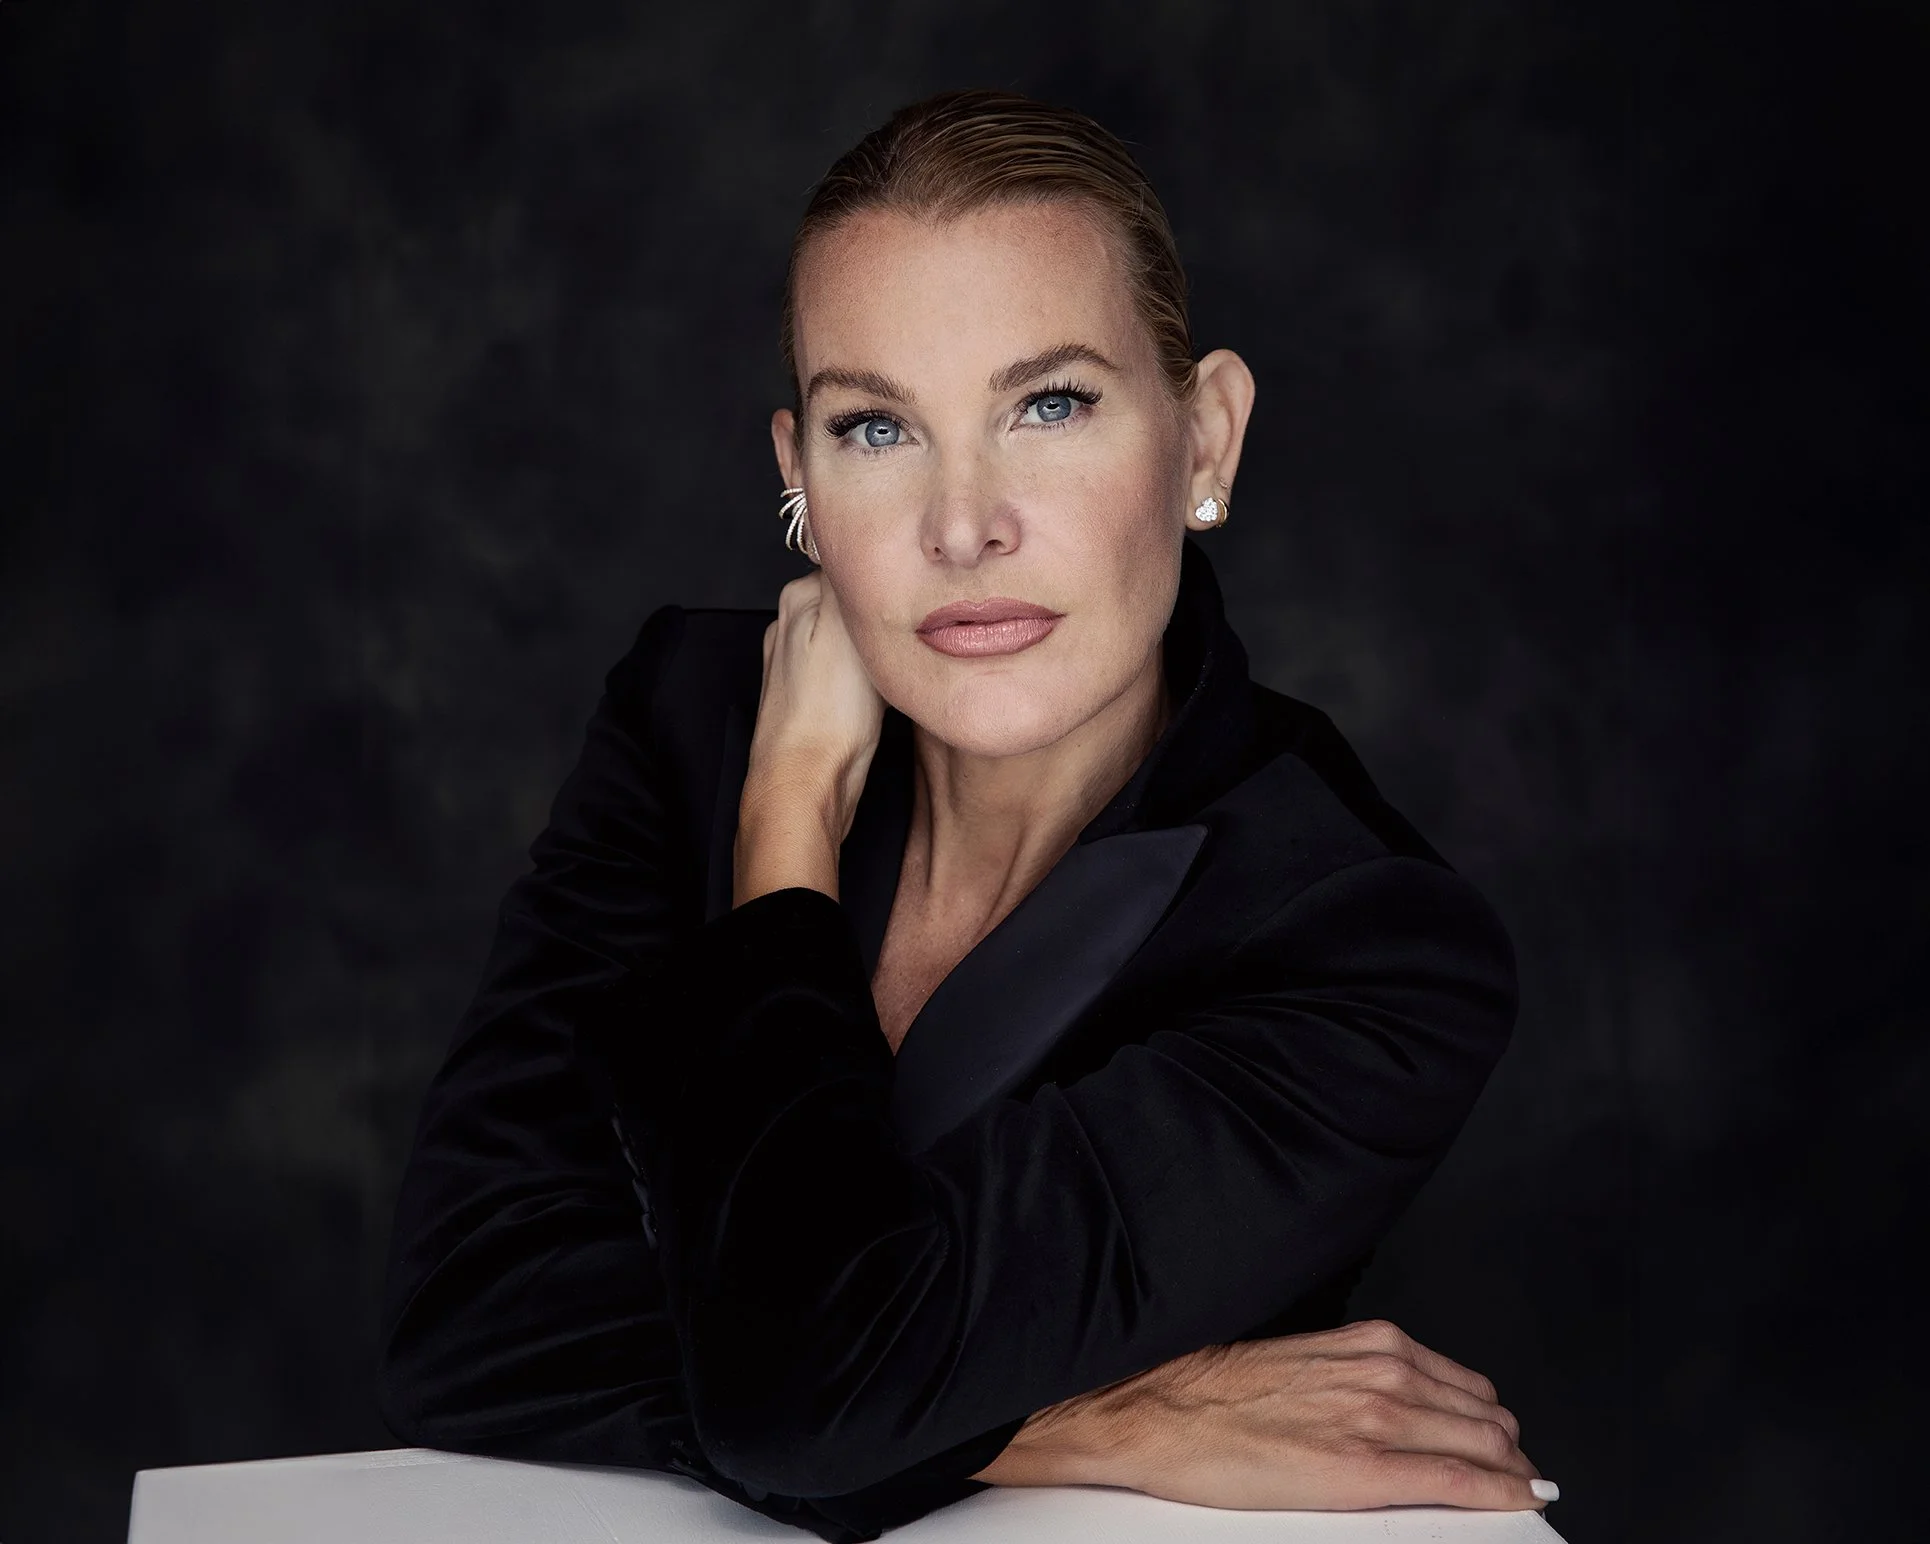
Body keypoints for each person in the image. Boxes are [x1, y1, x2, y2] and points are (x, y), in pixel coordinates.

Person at [376, 87, 1553, 1543]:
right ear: (796, 476)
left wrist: (884, 1392)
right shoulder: (692, 721)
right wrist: (1099, 1419)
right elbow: (465, 1313)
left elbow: (796, 1397)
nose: (961, 525)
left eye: (1047, 406)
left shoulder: (1363, 942)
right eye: (878, 429)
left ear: (1204, 443)